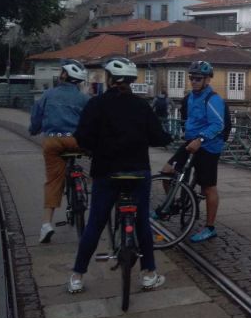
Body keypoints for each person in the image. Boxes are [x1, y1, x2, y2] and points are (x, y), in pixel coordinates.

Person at [67, 57, 172, 293]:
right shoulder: (141, 106)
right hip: (137, 172)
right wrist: (168, 138)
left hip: (106, 172)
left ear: (110, 79)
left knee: (95, 223)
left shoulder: (96, 105)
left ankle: (77, 276)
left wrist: (93, 149)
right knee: (143, 222)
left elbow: (81, 136)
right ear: (132, 81)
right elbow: (158, 137)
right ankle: (149, 274)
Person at [162, 60, 224, 243]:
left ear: (207, 80)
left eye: (198, 78)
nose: (194, 81)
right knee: (167, 172)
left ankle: (210, 227)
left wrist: (201, 139)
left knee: (208, 187)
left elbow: (218, 124)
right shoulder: (189, 98)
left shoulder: (213, 99)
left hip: (208, 146)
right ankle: (173, 204)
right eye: (192, 78)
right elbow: (188, 119)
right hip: (190, 142)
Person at [28, 59, 90, 243]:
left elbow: (36, 119)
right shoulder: (84, 99)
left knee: (54, 180)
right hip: (76, 141)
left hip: (53, 141)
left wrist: (34, 129)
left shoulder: (48, 94)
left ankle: (46, 224)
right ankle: (85, 188)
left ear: (64, 75)